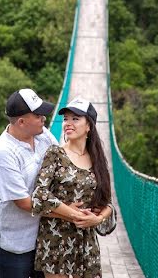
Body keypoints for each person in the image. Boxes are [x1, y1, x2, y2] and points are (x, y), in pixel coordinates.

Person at [31, 98, 116, 278]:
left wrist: (97, 219)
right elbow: (40, 194)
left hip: (86, 240)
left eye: (75, 119)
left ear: (89, 126)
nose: (68, 123)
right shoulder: (55, 153)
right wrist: (75, 215)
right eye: (66, 119)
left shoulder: (97, 159)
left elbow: (107, 203)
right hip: (55, 239)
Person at [0, 88, 59, 278]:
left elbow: (62, 166)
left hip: (42, 238)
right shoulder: (4, 153)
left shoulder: (43, 135)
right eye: (38, 115)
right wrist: (70, 214)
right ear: (21, 122)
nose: (44, 118)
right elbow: (24, 203)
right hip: (13, 246)